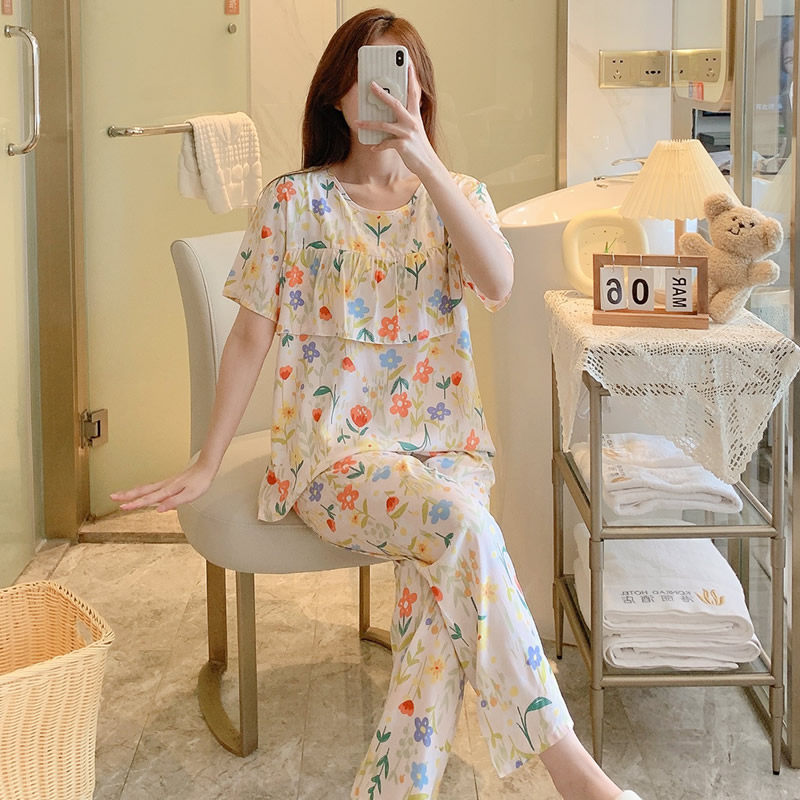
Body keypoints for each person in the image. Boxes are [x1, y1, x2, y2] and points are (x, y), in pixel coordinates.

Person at [111, 9, 644, 800]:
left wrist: (425, 162)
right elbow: (251, 336)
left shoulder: (457, 196)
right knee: (465, 531)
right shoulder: (292, 202)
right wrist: (207, 458)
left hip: (448, 448)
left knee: (438, 592)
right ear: (336, 93)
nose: (386, 93)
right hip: (334, 457)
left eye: (402, 76)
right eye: (366, 76)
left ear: (421, 92)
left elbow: (498, 283)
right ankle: (578, 778)